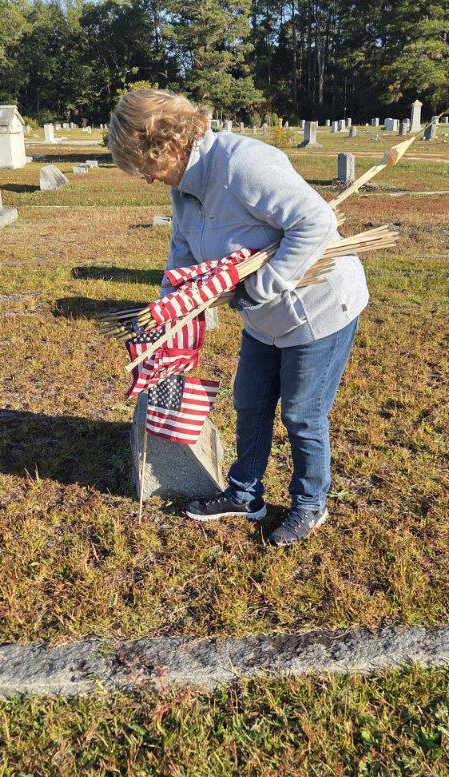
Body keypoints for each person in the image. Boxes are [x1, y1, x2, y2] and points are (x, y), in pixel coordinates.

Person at [109, 89, 369, 546]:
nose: (148, 179)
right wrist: (166, 312)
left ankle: (310, 505)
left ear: (167, 146)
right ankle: (246, 493)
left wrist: (259, 288)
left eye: (147, 167)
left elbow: (315, 223)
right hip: (261, 317)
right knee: (249, 404)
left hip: (317, 308)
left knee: (302, 414)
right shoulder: (184, 189)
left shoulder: (241, 164)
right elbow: (181, 255)